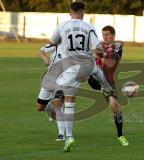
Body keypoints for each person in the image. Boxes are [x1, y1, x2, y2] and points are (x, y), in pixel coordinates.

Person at [36, 2, 112, 152]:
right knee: (95, 69)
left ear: (70, 11)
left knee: (67, 102)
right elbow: (98, 50)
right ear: (83, 12)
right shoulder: (89, 27)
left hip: (68, 71)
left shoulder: (62, 26)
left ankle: (67, 136)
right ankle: (106, 87)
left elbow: (51, 41)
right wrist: (102, 55)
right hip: (77, 68)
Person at [88, 26, 129, 146]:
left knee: (114, 107)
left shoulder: (117, 46)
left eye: (107, 34)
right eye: (103, 34)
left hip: (108, 81)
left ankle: (120, 135)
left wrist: (100, 52)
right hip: (94, 78)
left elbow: (111, 60)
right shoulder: (100, 45)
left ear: (113, 35)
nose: (105, 37)